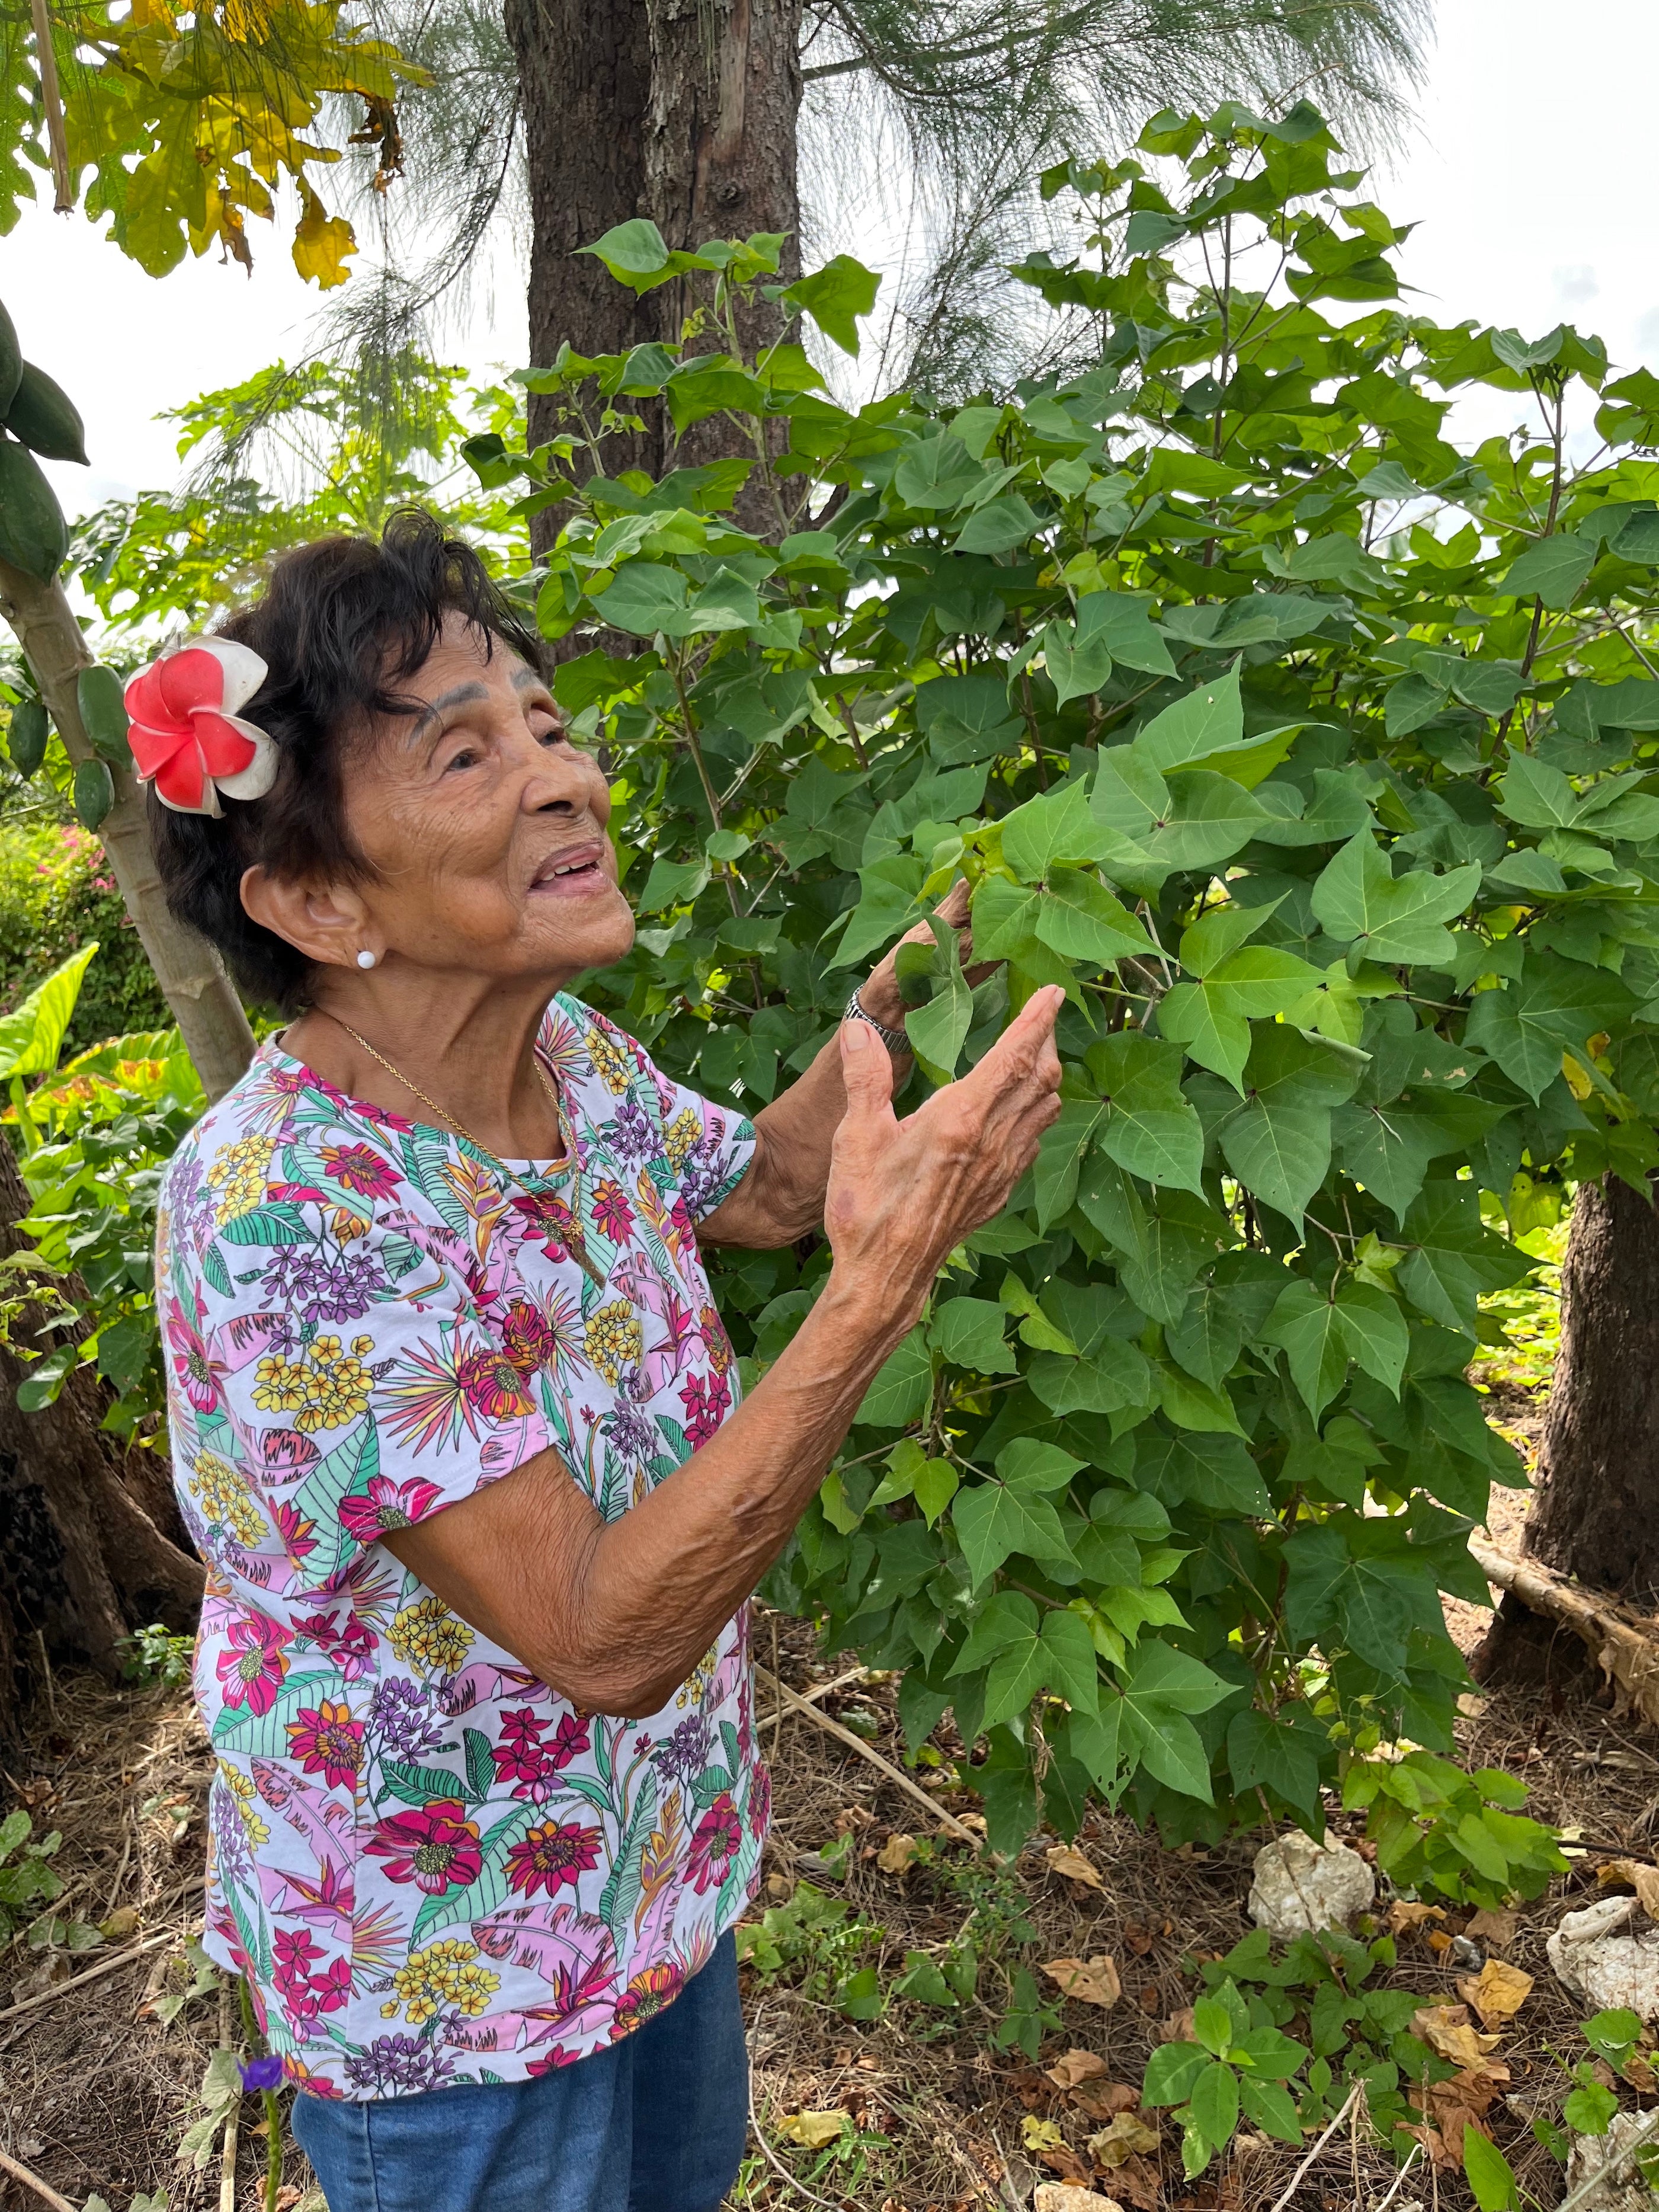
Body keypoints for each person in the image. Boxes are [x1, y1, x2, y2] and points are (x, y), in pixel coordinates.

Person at [143, 510, 1062, 2212]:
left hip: (648, 1888)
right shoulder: (292, 1211)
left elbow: (781, 1187)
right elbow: (600, 1633)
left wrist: (948, 962)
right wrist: (877, 1297)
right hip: (452, 1988)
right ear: (317, 898)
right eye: (466, 752)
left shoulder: (570, 1056)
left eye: (547, 723)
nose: (564, 776)